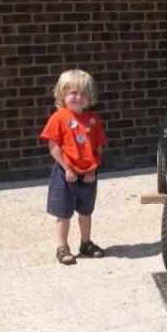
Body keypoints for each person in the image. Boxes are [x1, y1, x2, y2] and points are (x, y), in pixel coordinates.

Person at [39, 69, 107, 265]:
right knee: (64, 212)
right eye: (73, 93)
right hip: (65, 173)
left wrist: (92, 169)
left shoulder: (93, 119)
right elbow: (53, 145)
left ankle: (86, 243)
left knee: (86, 211)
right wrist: (67, 168)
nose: (78, 97)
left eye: (84, 93)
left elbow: (98, 146)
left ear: (90, 97)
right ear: (62, 94)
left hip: (88, 174)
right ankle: (62, 246)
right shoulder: (59, 118)